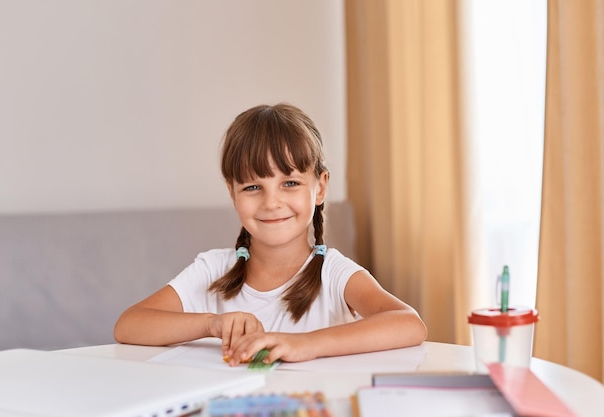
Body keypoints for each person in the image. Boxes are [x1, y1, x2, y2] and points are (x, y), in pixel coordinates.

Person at [114, 103, 427, 366]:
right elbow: (129, 324)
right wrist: (212, 324)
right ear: (232, 193)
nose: (271, 202)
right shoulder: (213, 270)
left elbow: (409, 324)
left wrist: (304, 344)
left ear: (320, 187)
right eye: (253, 187)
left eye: (289, 183)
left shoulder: (334, 273)